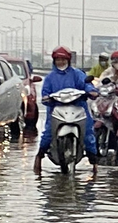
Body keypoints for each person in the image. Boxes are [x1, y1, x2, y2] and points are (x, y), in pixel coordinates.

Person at [33, 47, 99, 175]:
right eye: (58, 59)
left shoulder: (77, 74)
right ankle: (39, 157)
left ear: (68, 60)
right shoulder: (50, 78)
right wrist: (47, 98)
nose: (61, 62)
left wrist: (91, 91)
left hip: (78, 107)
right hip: (56, 109)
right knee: (47, 134)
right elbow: (45, 94)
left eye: (63, 59)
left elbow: (87, 85)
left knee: (88, 134)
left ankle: (94, 163)